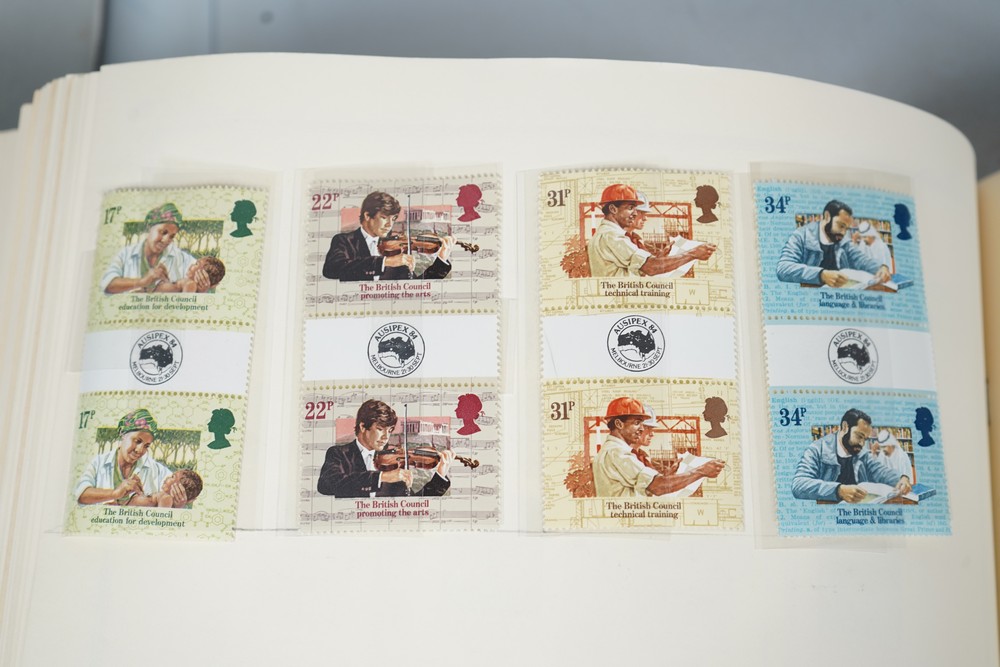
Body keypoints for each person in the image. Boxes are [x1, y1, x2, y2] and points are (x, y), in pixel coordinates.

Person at [316, 399, 454, 498]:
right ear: (363, 427)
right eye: (380, 429)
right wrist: (382, 477)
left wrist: (440, 475)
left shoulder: (391, 464)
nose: (386, 437)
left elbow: (414, 504)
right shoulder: (339, 453)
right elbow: (326, 485)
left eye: (390, 430)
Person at [592, 397, 725, 497]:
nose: (641, 429)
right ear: (619, 424)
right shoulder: (617, 453)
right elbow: (657, 487)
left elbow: (643, 486)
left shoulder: (613, 451)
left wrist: (667, 476)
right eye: (637, 423)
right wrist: (701, 471)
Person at [586, 184, 716, 278]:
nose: (635, 214)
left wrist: (659, 258)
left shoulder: (607, 234)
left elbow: (637, 268)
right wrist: (693, 254)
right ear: (613, 209)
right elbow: (650, 268)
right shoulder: (612, 236)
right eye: (630, 208)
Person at [322, 191, 455, 281]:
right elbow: (332, 269)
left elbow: (414, 288)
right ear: (367, 216)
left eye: (393, 219)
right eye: (384, 217)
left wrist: (441, 259)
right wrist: (385, 262)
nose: (389, 225)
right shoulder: (344, 241)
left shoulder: (395, 249)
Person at [791, 408, 912, 502]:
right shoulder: (817, 449)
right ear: (845, 427)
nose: (862, 443)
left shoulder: (862, 453)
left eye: (865, 439)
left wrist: (901, 478)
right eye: (859, 436)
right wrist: (838, 490)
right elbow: (798, 484)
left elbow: (880, 471)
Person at [776, 200, 891, 287]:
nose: (843, 233)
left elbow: (860, 259)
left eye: (846, 228)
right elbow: (783, 268)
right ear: (827, 216)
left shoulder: (843, 241)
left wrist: (881, 267)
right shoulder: (801, 236)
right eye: (841, 226)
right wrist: (821, 275)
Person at [100, 203, 210, 294]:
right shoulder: (126, 254)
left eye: (172, 236)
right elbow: (107, 284)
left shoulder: (181, 258)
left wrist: (201, 290)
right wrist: (142, 281)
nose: (166, 240)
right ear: (149, 228)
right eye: (163, 232)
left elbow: (204, 275)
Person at [75, 408, 176, 505]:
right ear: (123, 434)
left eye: (146, 446)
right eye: (137, 441)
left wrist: (178, 500)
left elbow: (174, 489)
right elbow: (81, 494)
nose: (140, 450)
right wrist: (114, 493)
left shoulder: (156, 470)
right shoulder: (99, 462)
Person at [129, 468, 203, 508]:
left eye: (172, 477)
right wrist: (140, 490)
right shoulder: (164, 496)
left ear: (178, 488)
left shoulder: (167, 498)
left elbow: (161, 516)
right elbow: (148, 503)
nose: (167, 477)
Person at [154, 256, 226, 293]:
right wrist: (165, 278)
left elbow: (184, 304)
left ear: (202, 275)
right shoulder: (189, 283)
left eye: (196, 264)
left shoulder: (191, 284)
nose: (191, 265)